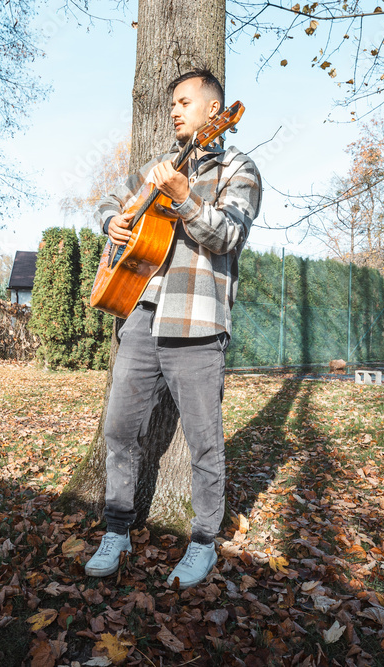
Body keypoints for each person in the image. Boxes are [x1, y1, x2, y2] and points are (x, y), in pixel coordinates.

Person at [82, 69, 263, 589]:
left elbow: (228, 234)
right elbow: (110, 200)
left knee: (204, 442)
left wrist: (185, 200)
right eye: (172, 106)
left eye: (185, 102)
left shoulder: (239, 168)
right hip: (139, 315)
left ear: (213, 110)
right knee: (119, 430)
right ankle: (117, 530)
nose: (176, 112)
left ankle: (203, 542)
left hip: (197, 324)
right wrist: (110, 222)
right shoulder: (157, 168)